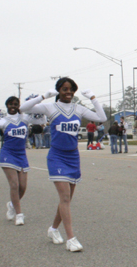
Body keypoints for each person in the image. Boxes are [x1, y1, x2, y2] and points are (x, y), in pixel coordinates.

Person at [19, 78, 106, 252]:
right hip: (57, 156)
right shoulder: (50, 107)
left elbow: (101, 118)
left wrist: (93, 98)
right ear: (58, 90)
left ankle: (53, 229)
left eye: (71, 89)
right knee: (65, 198)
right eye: (65, 89)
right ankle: (71, 239)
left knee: (67, 200)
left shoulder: (78, 109)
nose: (68, 92)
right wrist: (43, 96)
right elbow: (23, 108)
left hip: (73, 157)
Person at [0, 96, 34, 226]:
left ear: (19, 106)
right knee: (14, 185)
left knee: (23, 187)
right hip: (8, 154)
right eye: (10, 104)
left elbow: (42, 119)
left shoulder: (25, 119)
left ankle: (12, 204)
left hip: (21, 155)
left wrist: (34, 105)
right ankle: (19, 214)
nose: (13, 106)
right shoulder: (2, 121)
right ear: (6, 106)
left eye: (15, 104)